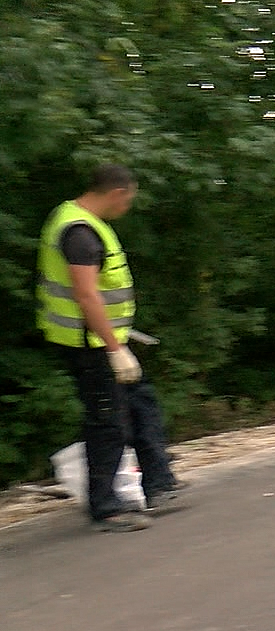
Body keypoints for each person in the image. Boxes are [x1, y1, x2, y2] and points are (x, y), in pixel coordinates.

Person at [36, 164, 188, 533]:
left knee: (140, 403)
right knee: (107, 422)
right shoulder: (80, 232)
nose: (129, 206)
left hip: (106, 339)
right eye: (129, 198)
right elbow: (87, 295)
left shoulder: (77, 218)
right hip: (89, 345)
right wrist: (112, 348)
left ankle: (158, 483)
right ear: (117, 192)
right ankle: (106, 507)